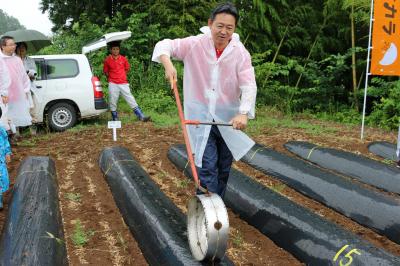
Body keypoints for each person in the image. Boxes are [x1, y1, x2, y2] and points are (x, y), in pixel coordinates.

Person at [152, 2, 257, 198]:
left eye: (229, 28)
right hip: (201, 117)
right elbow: (164, 45)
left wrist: (243, 113)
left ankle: (217, 211)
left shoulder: (239, 52)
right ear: (210, 24)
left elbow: (249, 84)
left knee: (223, 168)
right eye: (220, 26)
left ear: (234, 29)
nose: (224, 32)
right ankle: (206, 215)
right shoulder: (196, 44)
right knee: (207, 167)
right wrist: (168, 65)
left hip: (227, 119)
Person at [103, 41, 150, 122]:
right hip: (113, 83)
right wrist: (111, 78)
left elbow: (127, 69)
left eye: (117, 49)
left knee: (130, 99)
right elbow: (105, 72)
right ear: (111, 50)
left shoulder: (123, 59)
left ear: (119, 50)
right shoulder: (107, 60)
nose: (115, 51)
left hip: (123, 83)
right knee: (113, 101)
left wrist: (121, 76)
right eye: (114, 49)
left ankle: (141, 116)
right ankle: (115, 118)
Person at [0, 36, 32, 136]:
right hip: (3, 94)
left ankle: (14, 134)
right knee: (4, 115)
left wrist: (25, 90)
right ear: (2, 46)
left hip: (16, 93)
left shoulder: (17, 60)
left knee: (16, 113)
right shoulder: (1, 60)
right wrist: (2, 93)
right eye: (11, 45)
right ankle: (5, 137)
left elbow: (23, 76)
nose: (14, 46)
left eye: (14, 44)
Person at [16, 42, 38, 134]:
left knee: (32, 111)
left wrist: (31, 75)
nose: (21, 50)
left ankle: (33, 132)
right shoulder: (13, 60)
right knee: (16, 111)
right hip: (16, 90)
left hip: (29, 88)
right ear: (16, 49)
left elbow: (35, 73)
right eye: (20, 48)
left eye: (23, 48)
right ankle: (16, 133)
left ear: (26, 50)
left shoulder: (30, 60)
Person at [0, 106, 12, 210]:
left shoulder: (1, 130)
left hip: (0, 159)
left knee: (1, 178)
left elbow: (6, 142)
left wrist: (7, 153)